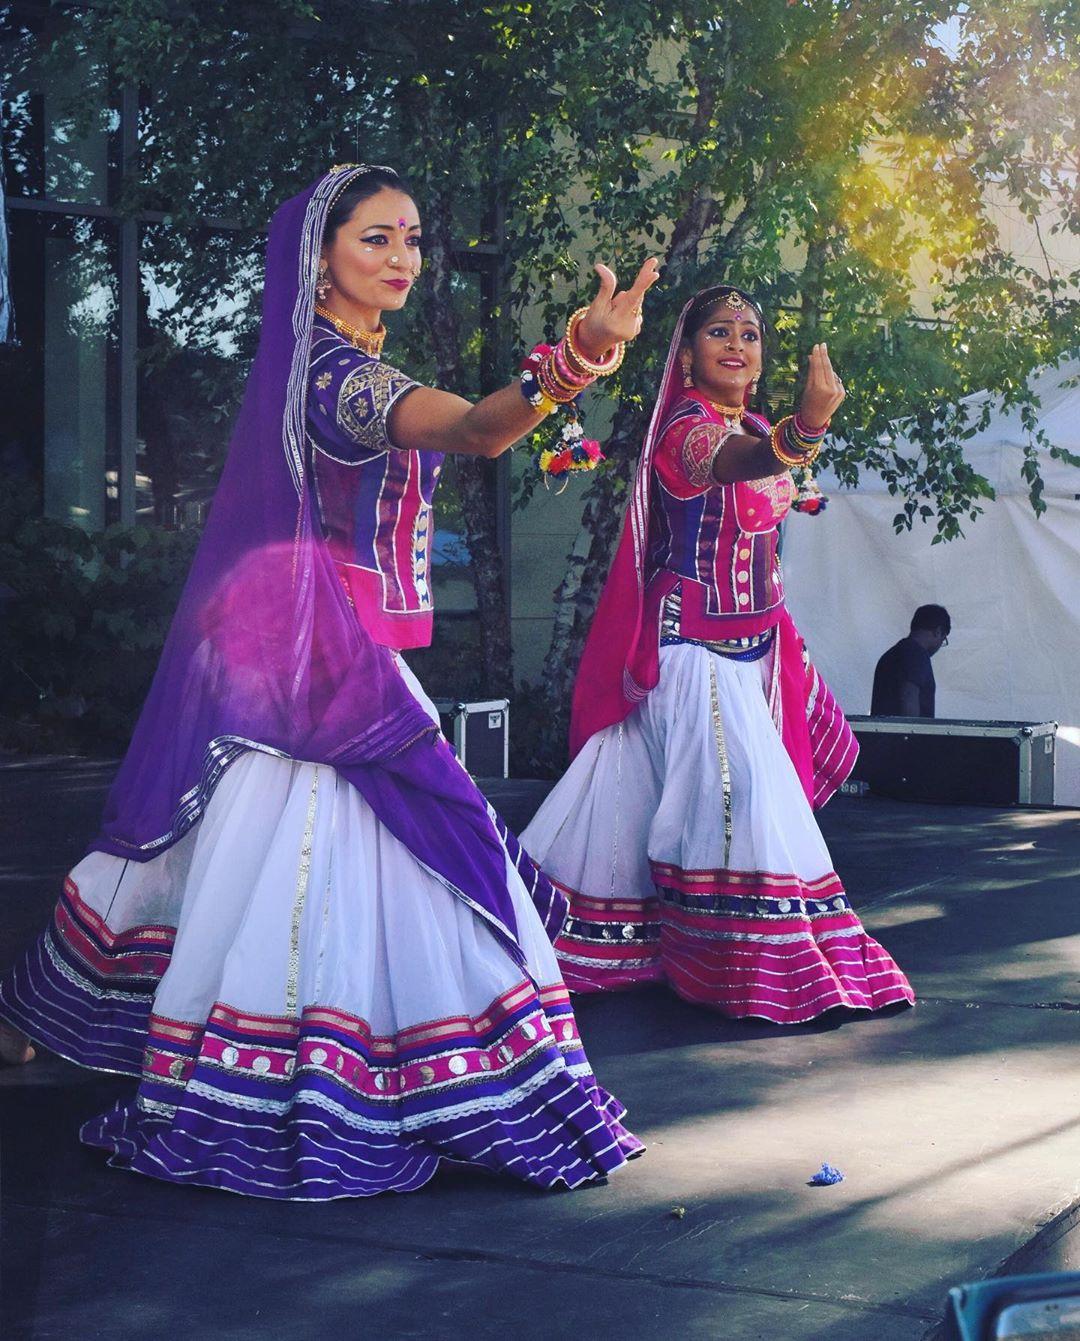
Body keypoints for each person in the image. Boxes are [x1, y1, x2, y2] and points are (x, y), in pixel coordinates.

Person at [0, 163, 660, 1199]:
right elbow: (479, 429)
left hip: (331, 642)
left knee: (249, 852)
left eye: (409, 239)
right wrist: (573, 359)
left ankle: (220, 1044)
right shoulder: (341, 383)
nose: (401, 259)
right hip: (331, 652)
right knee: (385, 844)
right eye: (375, 241)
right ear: (319, 261)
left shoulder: (325, 368)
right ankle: (338, 1077)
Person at [521, 284, 914, 1024]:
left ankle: (597, 937)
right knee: (740, 797)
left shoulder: (756, 424)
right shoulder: (686, 430)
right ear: (691, 355)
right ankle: (740, 963)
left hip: (749, 646)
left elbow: (763, 492)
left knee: (622, 798)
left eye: (751, 334)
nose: (738, 343)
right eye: (719, 332)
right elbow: (738, 463)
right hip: (690, 648)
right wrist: (809, 427)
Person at [871, 605, 951, 717]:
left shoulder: (891, 654)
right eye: (943, 640)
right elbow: (909, 695)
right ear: (938, 632)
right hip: (903, 733)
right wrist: (913, 732)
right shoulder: (917, 654)